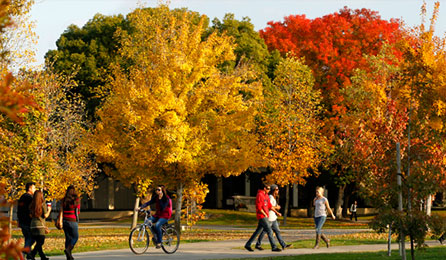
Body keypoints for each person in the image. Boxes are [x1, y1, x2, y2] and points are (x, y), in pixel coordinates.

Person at [244, 183, 282, 252]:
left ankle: (248, 245)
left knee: (257, 232)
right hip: (262, 216)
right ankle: (274, 247)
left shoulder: (266, 195)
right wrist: (264, 214)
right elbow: (259, 207)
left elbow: (270, 206)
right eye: (268, 189)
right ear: (264, 188)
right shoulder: (260, 195)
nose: (269, 190)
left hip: (265, 216)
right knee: (269, 231)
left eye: (270, 189)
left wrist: (277, 213)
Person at [255, 184, 291, 250]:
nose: (278, 191)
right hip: (269, 218)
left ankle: (283, 245)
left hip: (273, 218)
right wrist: (277, 208)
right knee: (265, 232)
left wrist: (277, 212)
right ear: (273, 190)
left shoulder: (273, 197)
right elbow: (268, 207)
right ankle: (258, 244)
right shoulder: (270, 197)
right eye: (277, 189)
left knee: (277, 231)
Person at [29, 190, 51, 260]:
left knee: (38, 241)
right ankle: (32, 254)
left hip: (32, 225)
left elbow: (30, 215)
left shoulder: (31, 204)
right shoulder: (42, 204)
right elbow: (45, 215)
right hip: (40, 225)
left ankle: (42, 256)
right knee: (41, 241)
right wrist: (49, 210)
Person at [17, 182, 36, 259]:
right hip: (28, 221)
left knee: (27, 238)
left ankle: (28, 254)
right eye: (34, 188)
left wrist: (19, 220)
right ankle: (24, 251)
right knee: (32, 237)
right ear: (30, 188)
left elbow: (19, 210)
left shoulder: (22, 197)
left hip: (22, 221)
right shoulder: (30, 198)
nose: (35, 189)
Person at [61, 185, 80, 260]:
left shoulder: (64, 200)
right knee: (75, 237)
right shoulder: (76, 200)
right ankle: (68, 250)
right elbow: (77, 211)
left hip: (65, 220)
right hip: (72, 220)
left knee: (68, 237)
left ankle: (68, 256)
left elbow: (61, 209)